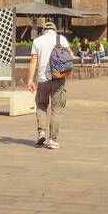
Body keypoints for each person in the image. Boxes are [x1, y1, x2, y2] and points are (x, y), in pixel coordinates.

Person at [27, 21, 71, 149]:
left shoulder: (37, 41)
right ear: (55, 30)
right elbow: (70, 56)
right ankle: (52, 140)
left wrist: (30, 80)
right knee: (56, 109)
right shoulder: (61, 39)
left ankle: (41, 132)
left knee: (41, 105)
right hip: (58, 77)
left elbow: (33, 61)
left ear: (43, 30)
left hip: (42, 79)